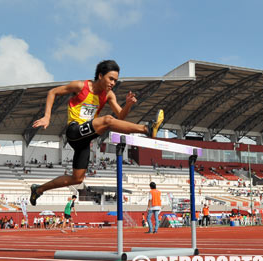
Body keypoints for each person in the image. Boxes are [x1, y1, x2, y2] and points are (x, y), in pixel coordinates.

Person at [30, 60, 164, 205]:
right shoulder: (80, 86)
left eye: (115, 80)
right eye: (111, 78)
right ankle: (146, 129)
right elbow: (53, 92)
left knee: (77, 179)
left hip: (84, 140)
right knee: (107, 120)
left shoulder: (108, 95)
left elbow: (121, 116)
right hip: (74, 131)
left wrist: (128, 105)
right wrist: (47, 116)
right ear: (100, 76)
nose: (113, 83)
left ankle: (38, 190)